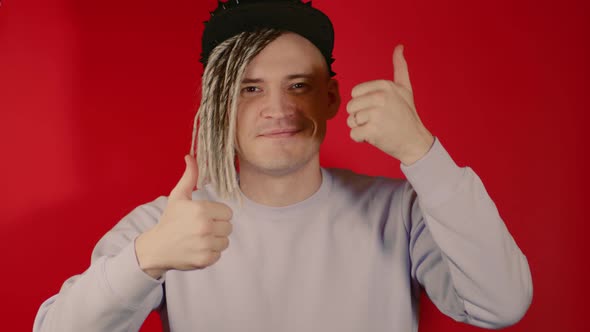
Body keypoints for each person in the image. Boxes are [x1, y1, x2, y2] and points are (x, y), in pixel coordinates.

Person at [33, 0, 533, 331]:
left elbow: (502, 304)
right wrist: (147, 259)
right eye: (250, 89)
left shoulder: (399, 211)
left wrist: (423, 153)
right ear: (218, 106)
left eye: (298, 85)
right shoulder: (168, 227)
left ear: (331, 98)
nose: (278, 108)